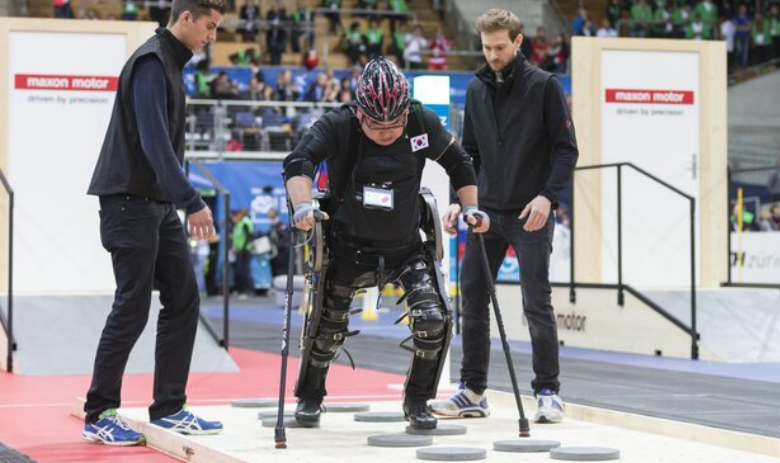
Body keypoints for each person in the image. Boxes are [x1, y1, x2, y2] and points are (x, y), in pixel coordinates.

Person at [283, 57, 488, 430]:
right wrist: (301, 205)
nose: (387, 131)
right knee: (327, 329)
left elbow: (459, 162)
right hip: (348, 246)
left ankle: (418, 400)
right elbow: (299, 161)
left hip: (407, 246)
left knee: (434, 319)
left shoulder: (420, 121)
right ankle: (310, 397)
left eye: (395, 123)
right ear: (360, 112)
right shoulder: (338, 125)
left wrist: (471, 206)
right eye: (376, 124)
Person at [83, 0, 226, 446]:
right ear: (185, 18)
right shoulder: (150, 62)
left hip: (157, 206)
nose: (212, 36)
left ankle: (168, 408)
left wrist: (175, 200)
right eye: (209, 26)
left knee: (184, 297)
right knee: (132, 306)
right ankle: (99, 412)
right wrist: (192, 200)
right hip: (128, 204)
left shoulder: (170, 64)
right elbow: (153, 142)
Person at [430, 8, 578, 424]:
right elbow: (470, 155)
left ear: (518, 42)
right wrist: (462, 198)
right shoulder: (476, 90)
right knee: (472, 299)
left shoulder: (545, 86)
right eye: (486, 48)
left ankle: (548, 392)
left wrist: (548, 198)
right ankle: (473, 391)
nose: (493, 55)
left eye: (500, 47)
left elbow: (567, 148)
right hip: (486, 212)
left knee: (536, 302)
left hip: (531, 211)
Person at [231, 208, 255, 297]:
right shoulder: (238, 224)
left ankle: (249, 291)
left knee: (245, 271)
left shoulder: (245, 222)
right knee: (240, 271)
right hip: (239, 250)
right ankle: (241, 290)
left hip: (244, 250)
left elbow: (249, 236)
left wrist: (243, 248)